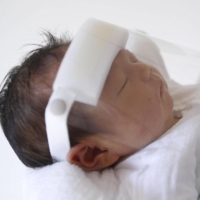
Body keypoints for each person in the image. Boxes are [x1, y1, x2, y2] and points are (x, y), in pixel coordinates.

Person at [0, 32, 181, 171]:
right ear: (94, 152)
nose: (144, 69)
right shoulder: (164, 180)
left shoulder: (181, 97)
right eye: (124, 83)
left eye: (132, 60)